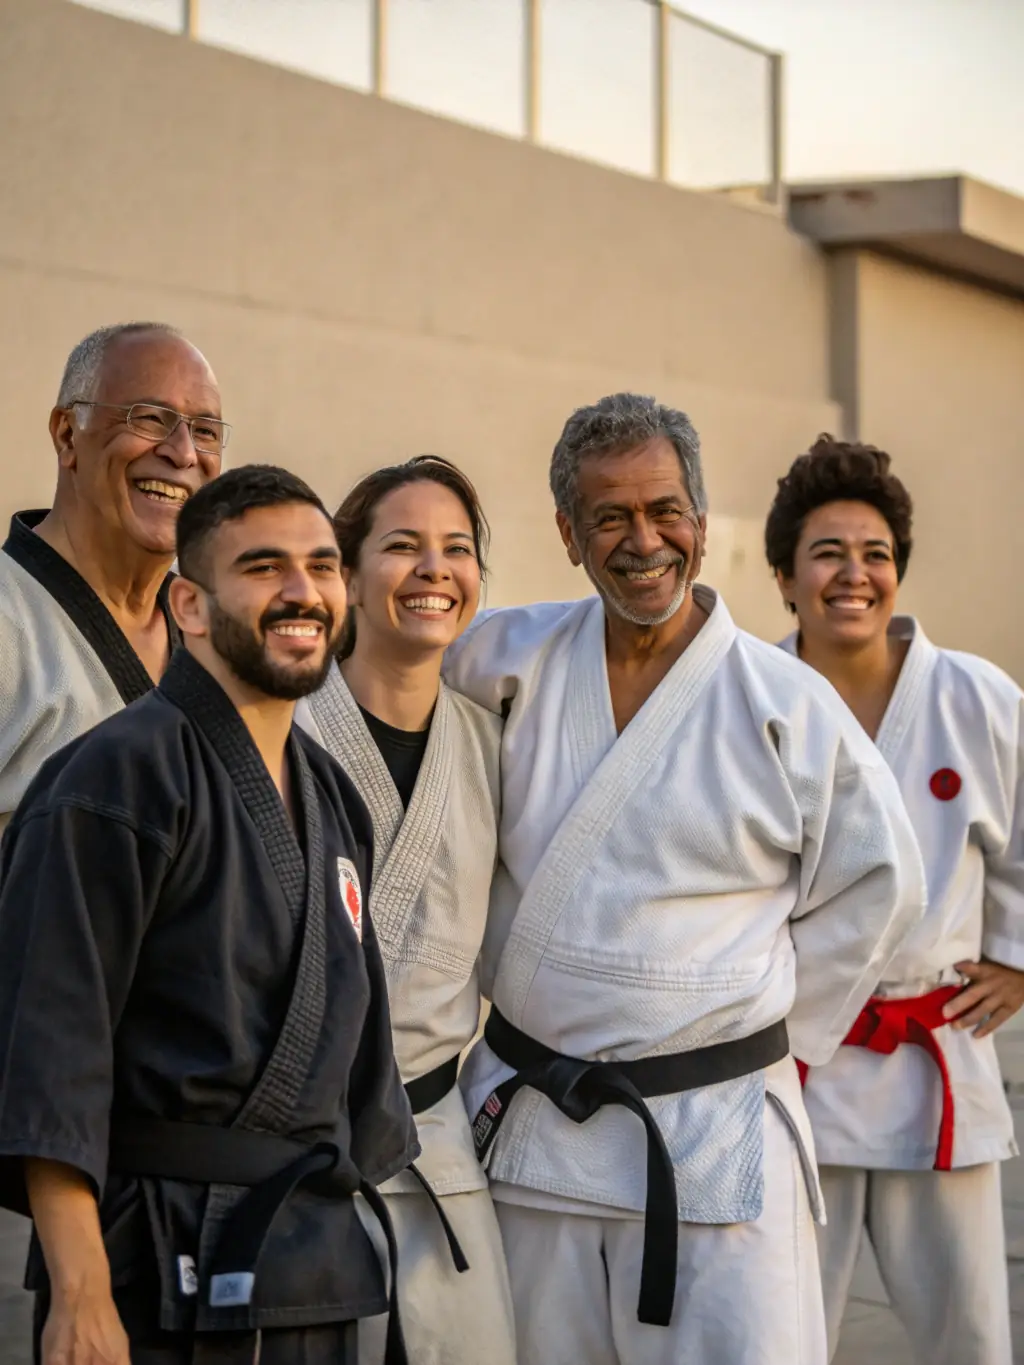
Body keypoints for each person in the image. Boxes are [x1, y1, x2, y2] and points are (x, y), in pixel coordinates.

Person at [440, 392, 926, 1365]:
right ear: (568, 534)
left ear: (701, 527)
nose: (642, 540)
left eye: (664, 511)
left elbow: (882, 884)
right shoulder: (501, 661)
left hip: (722, 1123)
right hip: (541, 1123)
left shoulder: (782, 699)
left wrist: (760, 1019)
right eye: (609, 517)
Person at [0, 465, 418, 1365]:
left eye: (321, 565)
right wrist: (79, 1293)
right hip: (149, 1262)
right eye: (264, 567)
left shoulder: (334, 797)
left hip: (306, 1263)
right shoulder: (113, 777)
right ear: (189, 605)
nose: (303, 591)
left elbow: (355, 1063)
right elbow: (51, 1046)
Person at [766, 435, 1022, 1365]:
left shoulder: (977, 699)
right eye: (827, 552)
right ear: (785, 575)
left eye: (875, 553)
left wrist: (1020, 960)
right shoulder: (747, 696)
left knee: (972, 1335)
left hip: (935, 1050)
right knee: (784, 1332)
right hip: (797, 1057)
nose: (854, 574)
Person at [296, 456, 517, 1365]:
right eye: (403, 546)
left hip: (433, 1139)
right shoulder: (280, 725)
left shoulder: (495, 743)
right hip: (289, 1146)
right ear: (346, 573)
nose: (435, 569)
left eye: (457, 549)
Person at [0, 320, 226, 832]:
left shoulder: (217, 640)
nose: (184, 453)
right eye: (149, 418)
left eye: (206, 432)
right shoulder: (9, 619)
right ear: (66, 434)